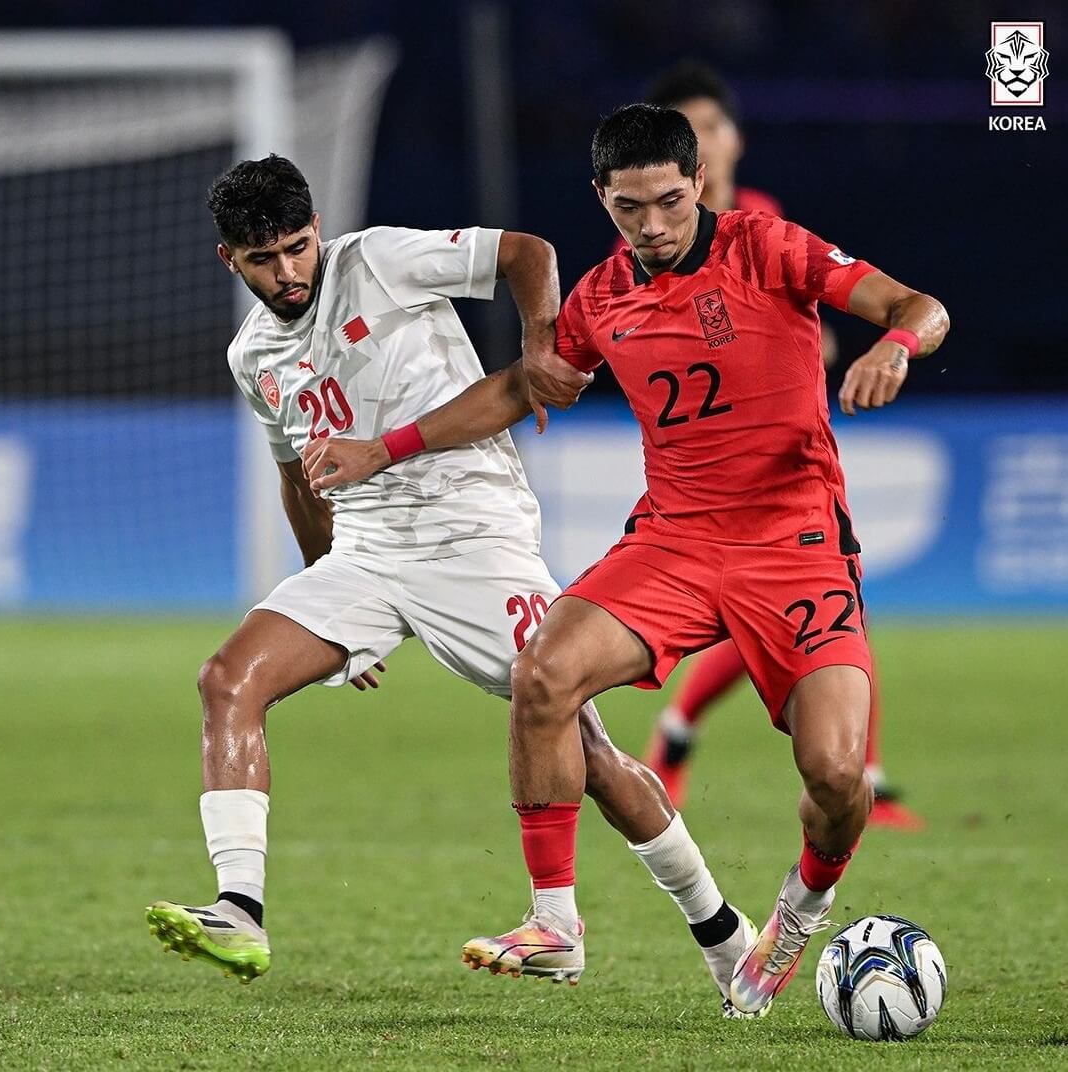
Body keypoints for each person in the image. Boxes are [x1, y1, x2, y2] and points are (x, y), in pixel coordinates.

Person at [144, 154, 762, 1016]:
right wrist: (328, 597)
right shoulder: (252, 355)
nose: (287, 273)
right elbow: (298, 478)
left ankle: (724, 934)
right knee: (225, 681)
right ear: (229, 261)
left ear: (317, 229)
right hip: (364, 552)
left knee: (582, 750)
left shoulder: (380, 262)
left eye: (296, 247)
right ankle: (240, 911)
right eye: (263, 259)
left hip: (473, 529)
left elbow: (527, 251)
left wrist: (540, 346)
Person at [462, 105, 948, 1015]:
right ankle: (555, 925)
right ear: (601, 199)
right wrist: (388, 447)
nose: (651, 227)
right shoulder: (602, 297)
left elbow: (921, 307)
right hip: (675, 541)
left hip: (797, 545)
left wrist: (893, 345)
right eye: (628, 208)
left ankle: (799, 913)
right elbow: (528, 386)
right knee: (544, 677)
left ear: (698, 186)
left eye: (670, 203)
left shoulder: (767, 249)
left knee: (838, 777)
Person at [623, 62, 917, 828]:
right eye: (691, 132)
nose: (707, 146)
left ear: (730, 142)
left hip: (789, 471)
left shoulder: (758, 221)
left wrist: (824, 346)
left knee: (829, 619)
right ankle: (681, 736)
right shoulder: (636, 257)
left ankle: (855, 777)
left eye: (713, 129)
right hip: (703, 487)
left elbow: (801, 309)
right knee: (783, 617)